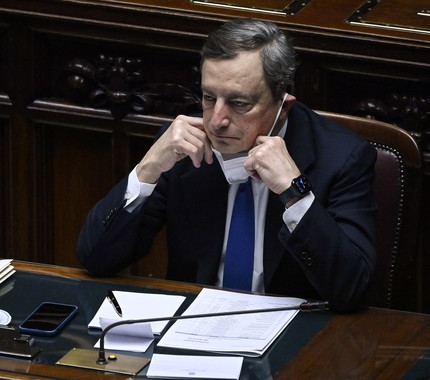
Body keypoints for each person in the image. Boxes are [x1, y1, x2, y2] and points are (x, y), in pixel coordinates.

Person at [77, 18, 377, 312]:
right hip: (191, 328)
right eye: (209, 98)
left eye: (239, 103)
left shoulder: (341, 157)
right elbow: (95, 259)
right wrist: (148, 169)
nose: (216, 121)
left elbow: (350, 290)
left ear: (283, 106)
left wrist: (295, 194)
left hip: (293, 337)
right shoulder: (183, 149)